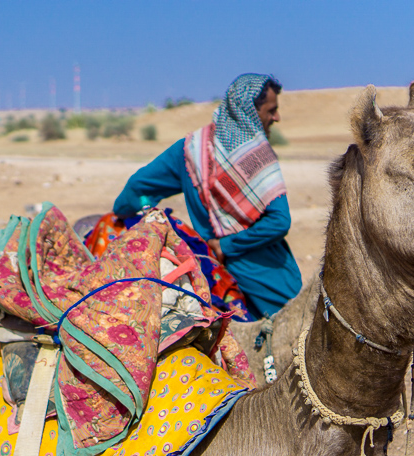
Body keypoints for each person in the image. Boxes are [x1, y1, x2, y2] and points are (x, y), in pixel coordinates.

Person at [113, 73, 300, 318]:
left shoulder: (191, 150)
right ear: (250, 114)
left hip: (214, 281)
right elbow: (280, 221)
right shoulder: (259, 158)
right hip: (269, 280)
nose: (276, 117)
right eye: (271, 110)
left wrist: (124, 219)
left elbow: (137, 189)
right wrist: (228, 245)